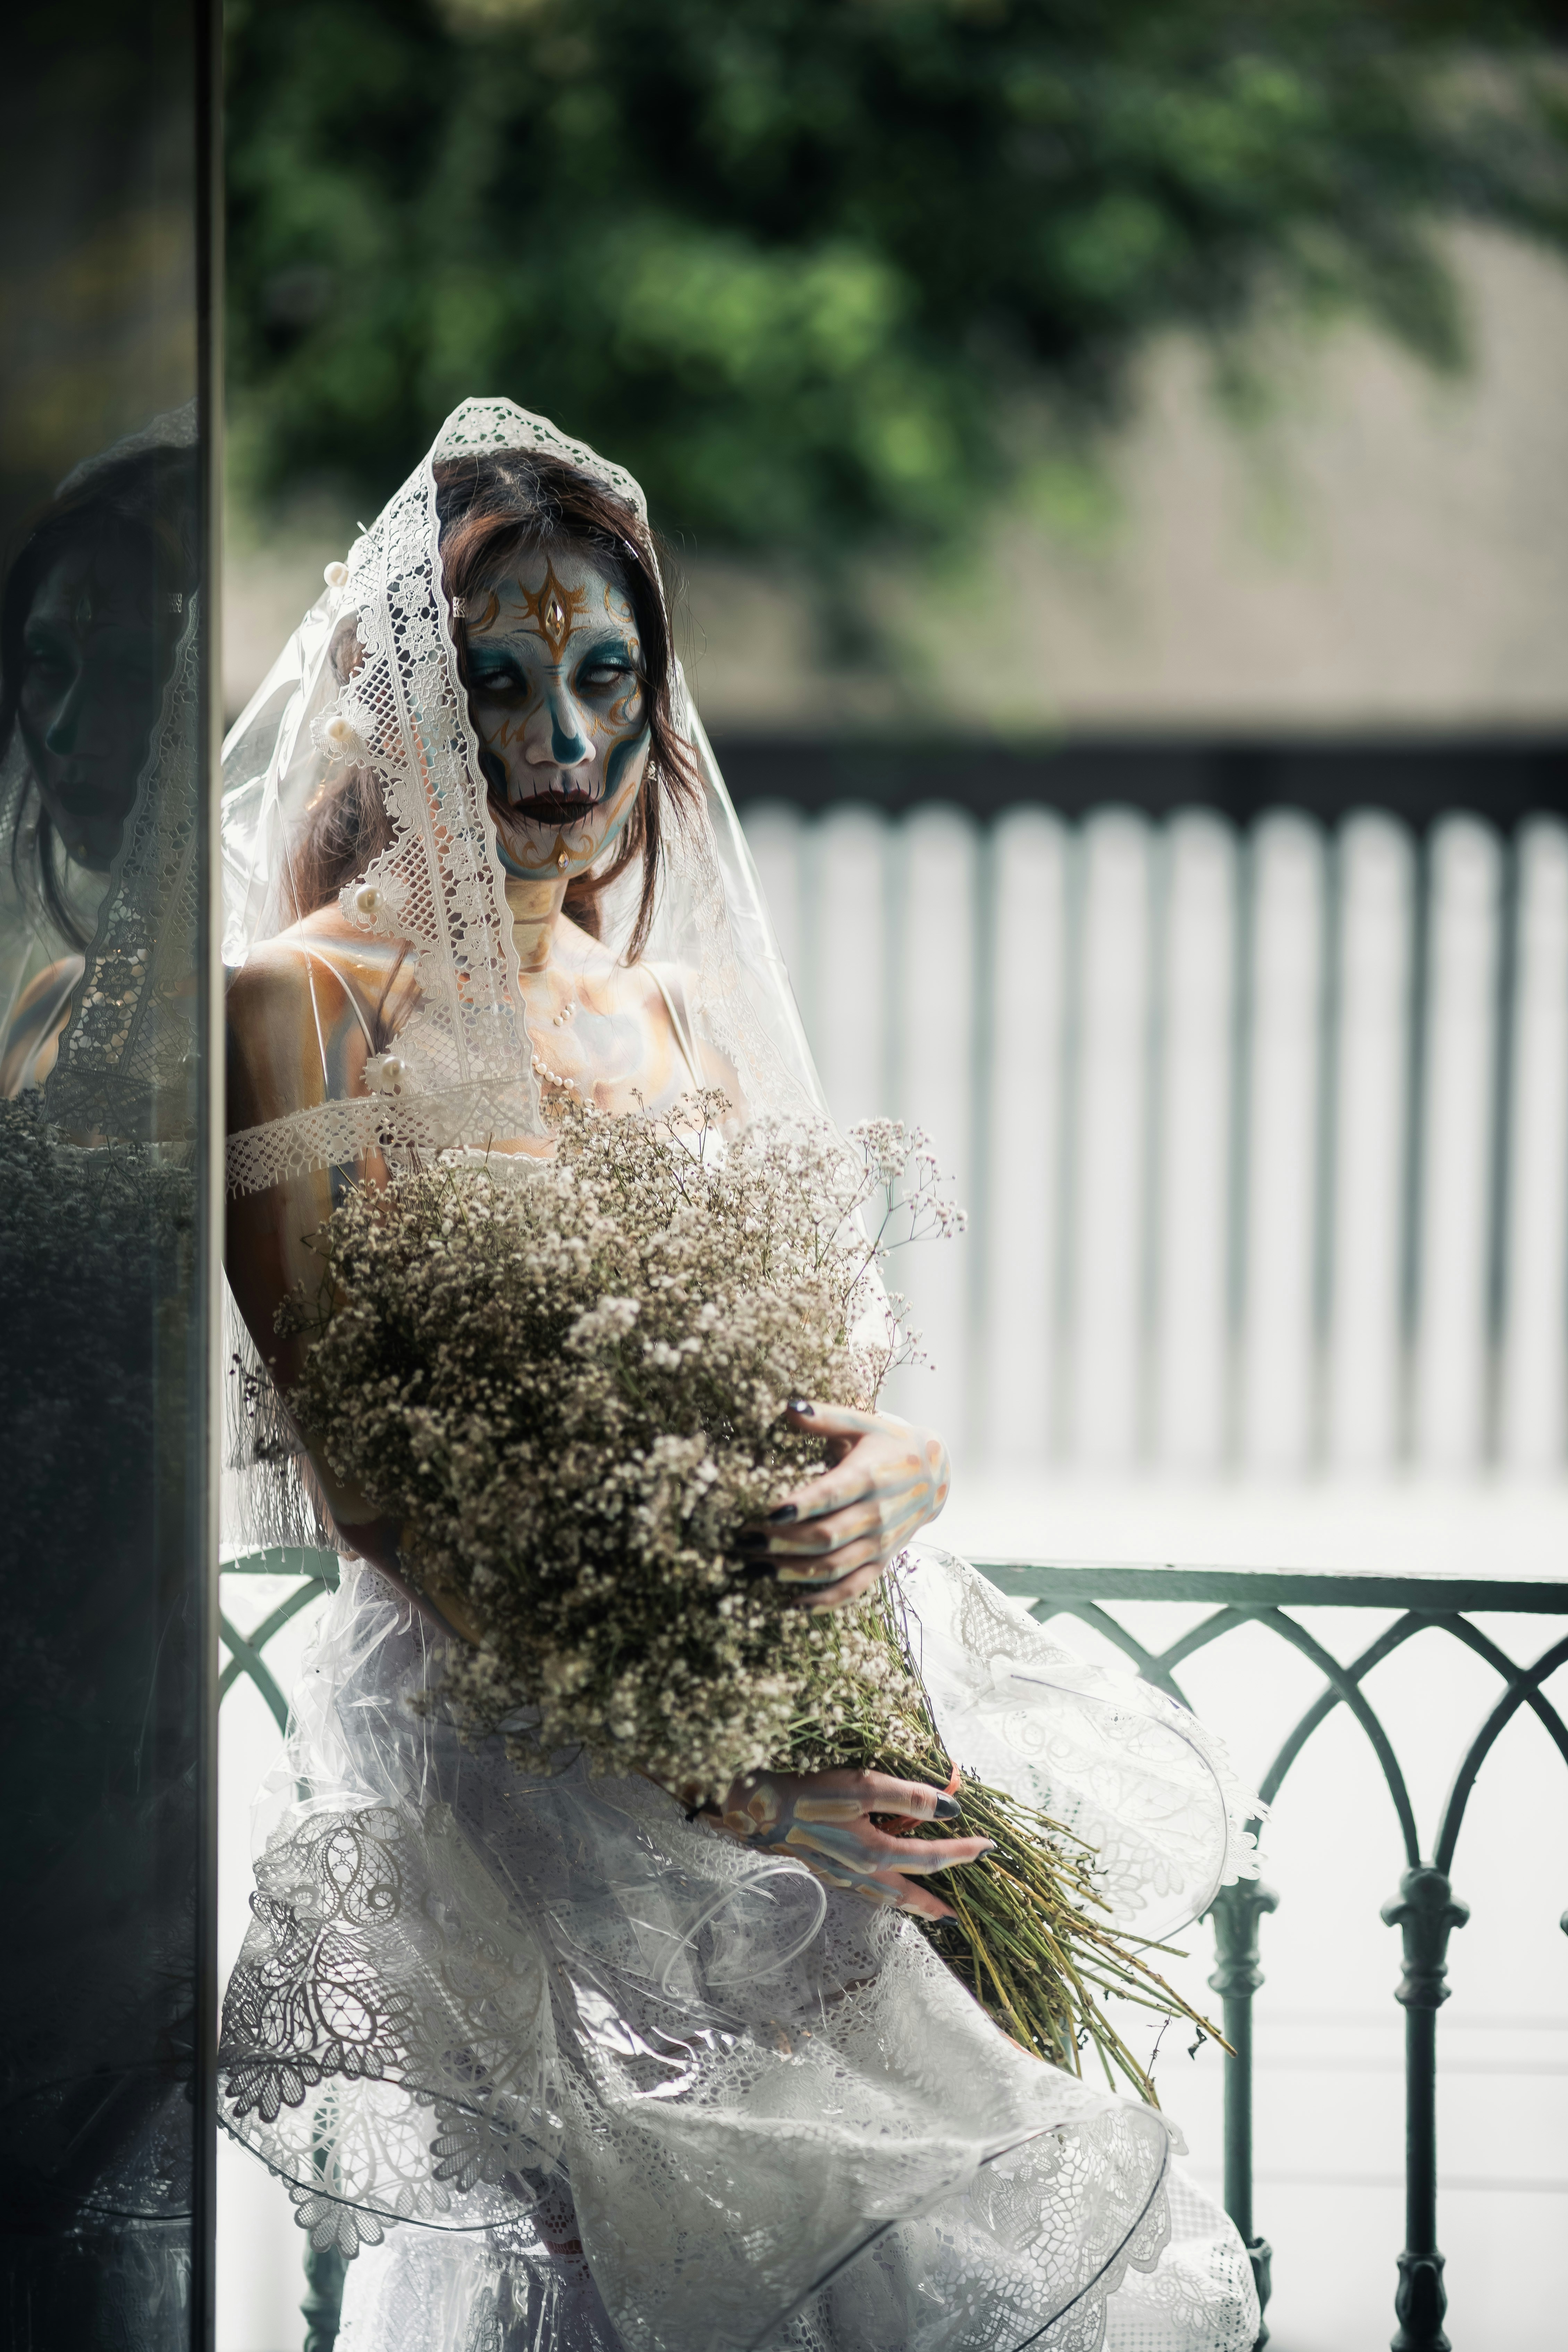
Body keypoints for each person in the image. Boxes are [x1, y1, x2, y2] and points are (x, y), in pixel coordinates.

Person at [218, 399, 1262, 2351]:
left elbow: (828, 1363)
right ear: (399, 708)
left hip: (809, 1713)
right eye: (501, 681)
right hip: (519, 1753)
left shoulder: (672, 1006)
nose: (562, 744)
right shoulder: (296, 1008)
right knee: (629, 2259)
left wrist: (903, 1478)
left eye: (606, 677)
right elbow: (363, 1480)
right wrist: (716, 1777)